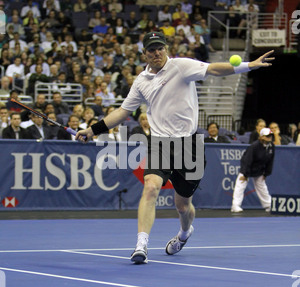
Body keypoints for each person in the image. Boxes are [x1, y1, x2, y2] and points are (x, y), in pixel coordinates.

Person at [76, 31, 275, 264]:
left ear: (166, 49)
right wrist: (93, 130)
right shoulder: (141, 81)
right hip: (160, 143)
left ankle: (184, 233)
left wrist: (248, 65)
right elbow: (122, 112)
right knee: (150, 187)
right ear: (145, 54)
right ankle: (141, 245)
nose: (157, 52)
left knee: (182, 205)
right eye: (152, 49)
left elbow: (213, 69)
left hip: (189, 145)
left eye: (160, 48)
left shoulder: (182, 66)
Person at [231, 128, 275, 213]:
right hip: (247, 168)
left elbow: (270, 161)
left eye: (271, 136)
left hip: (259, 169)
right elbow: (247, 160)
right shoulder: (254, 146)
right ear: (261, 137)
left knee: (262, 187)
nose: (269, 137)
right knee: (240, 185)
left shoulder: (271, 147)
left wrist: (266, 174)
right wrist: (245, 174)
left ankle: (268, 205)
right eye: (267, 136)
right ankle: (235, 205)